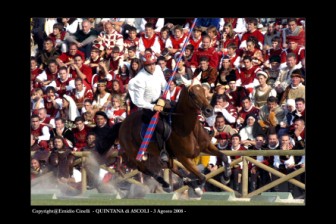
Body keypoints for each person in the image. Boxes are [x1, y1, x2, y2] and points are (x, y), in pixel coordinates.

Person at [128, 53, 169, 162]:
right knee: (160, 126)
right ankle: (162, 151)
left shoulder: (159, 69)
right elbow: (139, 101)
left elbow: (165, 85)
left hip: (161, 100)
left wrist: (165, 99)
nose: (152, 67)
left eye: (153, 64)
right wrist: (153, 107)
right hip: (148, 106)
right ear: (144, 66)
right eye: (149, 65)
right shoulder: (139, 79)